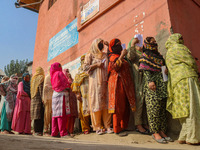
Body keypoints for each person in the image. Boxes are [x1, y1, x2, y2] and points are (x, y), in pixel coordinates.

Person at [165, 33, 200, 145]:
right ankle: (193, 138)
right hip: (187, 78)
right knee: (192, 106)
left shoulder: (168, 52)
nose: (182, 40)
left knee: (183, 109)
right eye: (181, 38)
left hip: (176, 83)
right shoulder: (179, 48)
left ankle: (183, 136)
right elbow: (191, 61)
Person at [139, 37, 172, 143]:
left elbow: (163, 66)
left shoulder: (159, 56)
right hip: (152, 86)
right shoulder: (146, 56)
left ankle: (162, 131)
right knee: (153, 109)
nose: (154, 43)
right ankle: (155, 132)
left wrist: (165, 70)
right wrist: (150, 81)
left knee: (162, 108)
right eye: (151, 42)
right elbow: (146, 71)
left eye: (154, 42)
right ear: (147, 44)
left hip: (162, 84)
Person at [83, 38, 112, 135]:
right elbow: (85, 67)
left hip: (105, 81)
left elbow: (111, 58)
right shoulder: (90, 54)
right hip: (95, 83)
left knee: (106, 103)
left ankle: (108, 126)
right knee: (96, 103)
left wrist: (108, 46)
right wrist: (96, 65)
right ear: (95, 45)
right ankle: (98, 127)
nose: (101, 46)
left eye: (101, 44)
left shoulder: (104, 55)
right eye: (99, 44)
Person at [107, 38, 136, 136]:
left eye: (120, 44)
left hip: (125, 84)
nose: (119, 46)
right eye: (117, 45)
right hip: (116, 83)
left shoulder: (121, 57)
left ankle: (124, 126)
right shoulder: (112, 57)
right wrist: (122, 55)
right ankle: (117, 128)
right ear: (112, 47)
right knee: (118, 106)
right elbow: (115, 67)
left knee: (126, 106)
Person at [127, 35, 149, 134]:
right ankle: (138, 124)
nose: (139, 46)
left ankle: (144, 123)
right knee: (139, 101)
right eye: (137, 44)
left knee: (145, 102)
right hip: (137, 79)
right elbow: (130, 57)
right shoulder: (133, 52)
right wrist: (132, 44)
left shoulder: (143, 53)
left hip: (145, 79)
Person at [50, 62, 71, 138]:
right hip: (61, 94)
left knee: (55, 115)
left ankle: (54, 132)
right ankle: (63, 133)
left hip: (55, 94)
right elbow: (65, 83)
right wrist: (68, 86)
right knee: (61, 114)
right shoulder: (59, 73)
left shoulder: (53, 75)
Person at [71, 55, 90, 134]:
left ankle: (96, 126)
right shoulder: (79, 72)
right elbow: (75, 83)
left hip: (91, 92)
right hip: (83, 94)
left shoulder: (90, 68)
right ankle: (85, 128)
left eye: (84, 59)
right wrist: (78, 94)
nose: (83, 61)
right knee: (83, 111)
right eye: (82, 60)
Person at [63, 68, 78, 137]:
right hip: (67, 99)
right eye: (66, 71)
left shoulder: (72, 79)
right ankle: (66, 131)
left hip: (73, 99)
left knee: (73, 115)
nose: (68, 73)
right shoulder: (63, 80)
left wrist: (71, 79)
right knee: (67, 115)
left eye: (68, 71)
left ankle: (71, 130)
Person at [31, 67, 45, 136]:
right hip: (39, 99)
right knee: (40, 115)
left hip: (33, 99)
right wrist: (43, 98)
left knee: (35, 116)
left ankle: (35, 130)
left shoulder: (33, 79)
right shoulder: (41, 77)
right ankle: (38, 131)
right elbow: (41, 89)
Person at [43, 67, 53, 136]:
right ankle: (46, 130)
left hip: (53, 98)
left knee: (52, 115)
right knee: (47, 114)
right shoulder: (47, 77)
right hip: (48, 98)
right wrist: (45, 98)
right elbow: (45, 88)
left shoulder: (53, 77)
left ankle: (52, 130)